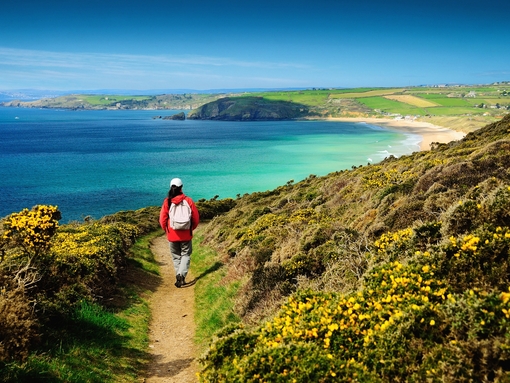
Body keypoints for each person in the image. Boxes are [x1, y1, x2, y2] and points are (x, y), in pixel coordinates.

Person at [159, 178, 200, 288]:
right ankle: (181, 276)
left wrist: (167, 230)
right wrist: (191, 228)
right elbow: (196, 218)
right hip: (186, 234)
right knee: (186, 255)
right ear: (182, 187)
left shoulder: (167, 201)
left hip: (172, 235)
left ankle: (179, 275)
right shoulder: (189, 200)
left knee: (176, 256)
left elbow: (162, 219)